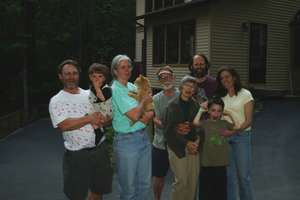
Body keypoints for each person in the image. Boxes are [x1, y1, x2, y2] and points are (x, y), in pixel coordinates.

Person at [49, 59, 113, 200]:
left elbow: (105, 115)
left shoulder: (89, 94)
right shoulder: (56, 100)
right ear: (61, 76)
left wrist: (106, 119)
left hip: (99, 149)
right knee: (76, 194)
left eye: (74, 73)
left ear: (79, 75)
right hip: (77, 155)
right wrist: (89, 119)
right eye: (67, 74)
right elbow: (64, 125)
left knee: (98, 190)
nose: (71, 77)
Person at [111, 55, 154, 200]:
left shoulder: (132, 86)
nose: (127, 70)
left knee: (145, 185)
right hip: (126, 142)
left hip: (143, 137)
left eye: (129, 66)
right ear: (115, 71)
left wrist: (142, 111)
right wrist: (143, 103)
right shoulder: (115, 89)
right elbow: (136, 115)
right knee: (128, 189)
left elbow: (150, 111)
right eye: (122, 67)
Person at [215, 66, 255, 200]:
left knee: (243, 176)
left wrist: (232, 132)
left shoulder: (245, 94)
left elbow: (248, 121)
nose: (224, 80)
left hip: (242, 137)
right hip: (225, 138)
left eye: (227, 76)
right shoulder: (221, 97)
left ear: (234, 77)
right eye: (222, 78)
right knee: (229, 177)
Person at [164, 75, 201, 200]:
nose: (190, 88)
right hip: (177, 148)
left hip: (193, 147)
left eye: (193, 86)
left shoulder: (196, 105)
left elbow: (199, 127)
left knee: (192, 182)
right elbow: (168, 132)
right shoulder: (172, 105)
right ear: (181, 87)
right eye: (187, 85)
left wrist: (196, 143)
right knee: (182, 181)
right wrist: (187, 144)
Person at [193, 97, 236, 200]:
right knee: (205, 192)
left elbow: (236, 126)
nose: (216, 113)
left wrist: (229, 114)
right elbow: (195, 123)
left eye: (219, 111)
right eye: (213, 110)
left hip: (221, 164)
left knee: (220, 192)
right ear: (208, 111)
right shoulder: (205, 123)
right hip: (206, 163)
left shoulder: (224, 123)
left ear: (222, 112)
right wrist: (200, 110)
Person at [152, 66, 179, 200]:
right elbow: (156, 118)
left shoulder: (182, 95)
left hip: (179, 143)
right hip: (160, 143)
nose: (166, 79)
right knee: (158, 176)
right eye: (162, 77)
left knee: (179, 176)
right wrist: (166, 125)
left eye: (168, 76)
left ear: (173, 78)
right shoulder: (156, 98)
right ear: (159, 81)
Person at [88, 63, 112, 145]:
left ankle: (100, 133)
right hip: (97, 110)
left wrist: (97, 88)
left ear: (104, 78)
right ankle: (98, 132)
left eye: (100, 76)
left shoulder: (107, 89)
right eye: (94, 76)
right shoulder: (92, 88)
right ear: (90, 77)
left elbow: (102, 99)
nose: (97, 79)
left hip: (106, 111)